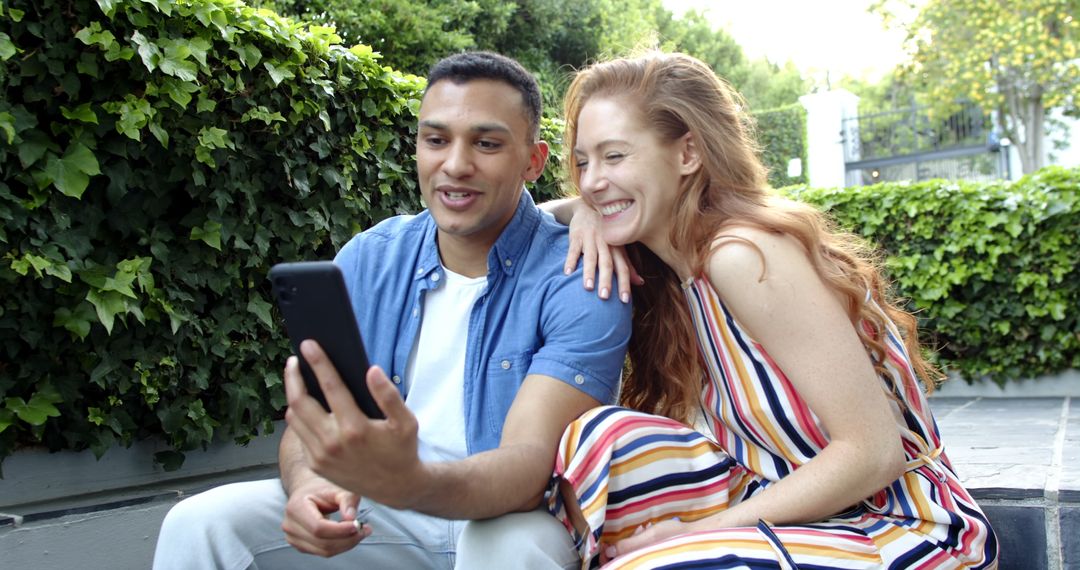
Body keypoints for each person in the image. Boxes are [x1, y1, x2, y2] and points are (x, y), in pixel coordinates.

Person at [152, 51, 631, 570]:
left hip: (517, 516)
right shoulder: (369, 258)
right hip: (386, 512)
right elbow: (314, 423)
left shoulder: (582, 276)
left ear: (533, 161)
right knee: (199, 522)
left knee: (506, 546)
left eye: (487, 144)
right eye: (436, 139)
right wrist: (312, 487)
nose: (455, 164)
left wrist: (410, 481)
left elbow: (528, 467)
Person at [545, 52, 999, 569]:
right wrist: (580, 210)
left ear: (688, 153)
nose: (592, 180)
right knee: (597, 439)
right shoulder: (674, 278)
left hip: (902, 529)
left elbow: (874, 453)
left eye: (615, 156)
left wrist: (695, 535)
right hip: (787, 502)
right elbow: (513, 221)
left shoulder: (742, 255)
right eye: (583, 162)